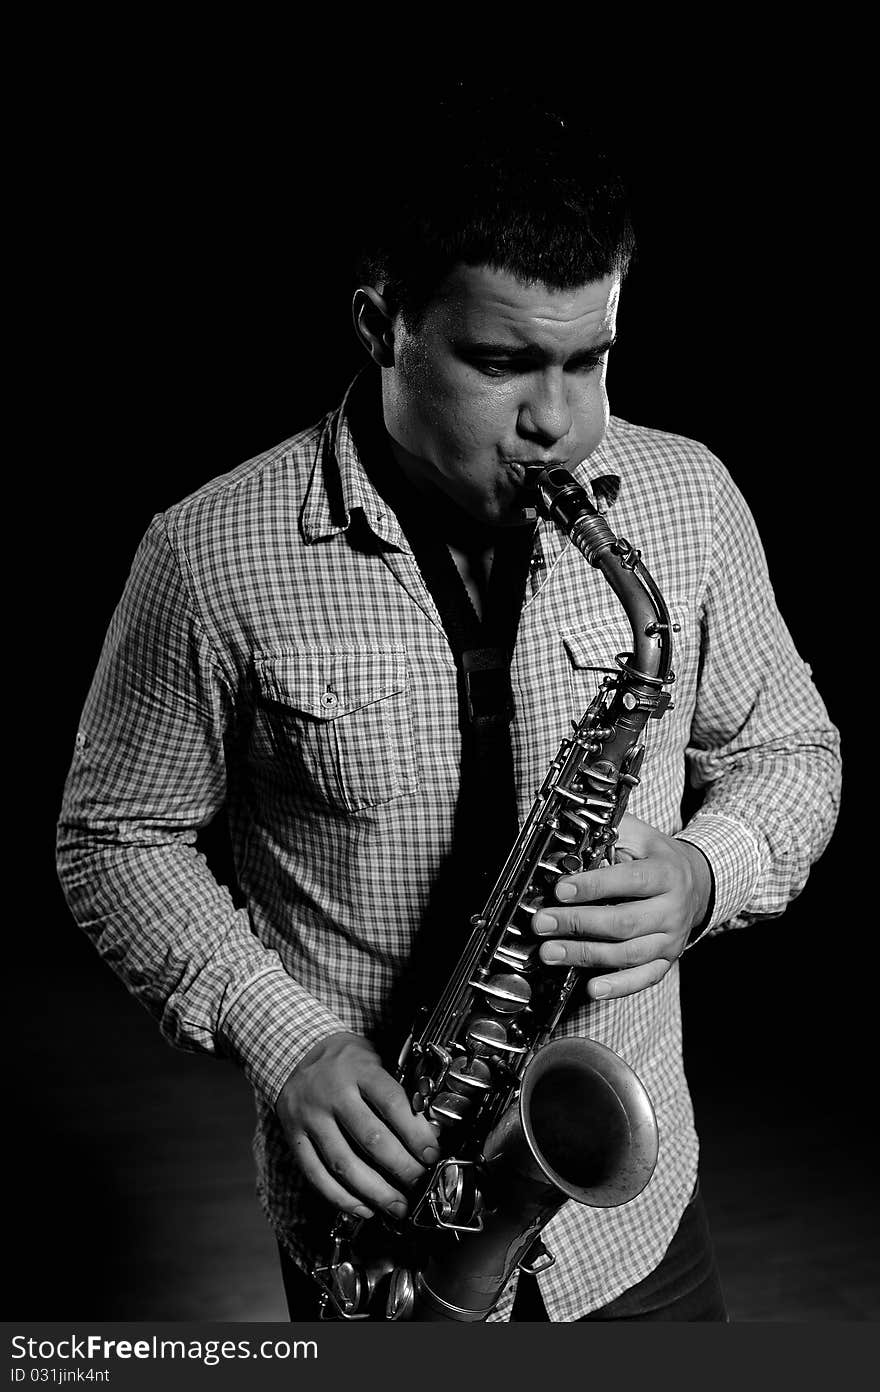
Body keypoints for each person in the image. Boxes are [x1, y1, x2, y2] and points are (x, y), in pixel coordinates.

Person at [56, 91, 841, 1323]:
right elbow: (112, 840)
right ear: (381, 326)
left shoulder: (686, 500)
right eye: (502, 362)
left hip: (616, 1205)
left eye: (589, 360)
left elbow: (792, 750)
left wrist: (703, 872)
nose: (558, 421)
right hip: (378, 1220)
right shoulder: (209, 553)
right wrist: (286, 1039)